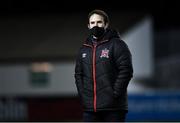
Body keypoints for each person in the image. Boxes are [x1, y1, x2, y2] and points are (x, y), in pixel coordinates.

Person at [74, 9, 133, 122]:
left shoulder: (117, 44)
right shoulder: (84, 49)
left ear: (106, 24)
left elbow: (126, 70)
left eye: (99, 22)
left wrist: (114, 93)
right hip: (90, 109)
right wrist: (83, 94)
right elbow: (78, 74)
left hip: (113, 109)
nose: (96, 25)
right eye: (92, 23)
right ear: (88, 26)